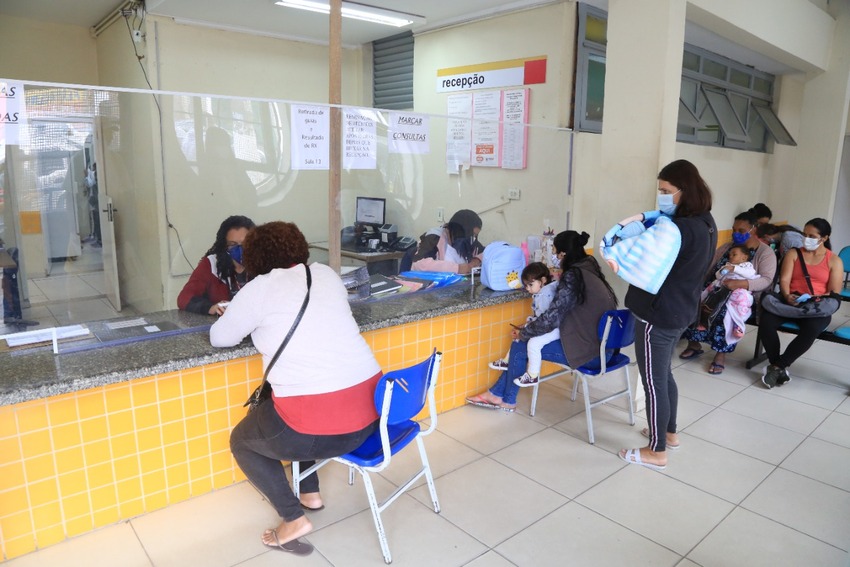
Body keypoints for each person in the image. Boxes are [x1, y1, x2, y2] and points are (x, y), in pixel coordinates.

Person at [210, 221, 382, 555]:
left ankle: (293, 518)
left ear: (255, 256)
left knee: (243, 441)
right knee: (289, 403)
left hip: (316, 427)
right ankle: (310, 493)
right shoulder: (327, 275)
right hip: (368, 420)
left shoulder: (257, 289)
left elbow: (221, 337)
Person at [605, 159, 716, 471]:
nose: (662, 197)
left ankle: (657, 451)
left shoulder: (676, 230)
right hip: (681, 309)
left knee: (653, 380)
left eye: (667, 191)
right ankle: (668, 433)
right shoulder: (705, 222)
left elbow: (644, 263)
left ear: (685, 190)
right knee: (664, 374)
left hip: (659, 313)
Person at [465, 230, 618, 411]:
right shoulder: (589, 268)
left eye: (554, 251)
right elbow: (564, 314)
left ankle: (505, 399)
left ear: (563, 254)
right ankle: (497, 395)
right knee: (525, 340)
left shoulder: (574, 276)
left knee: (520, 345)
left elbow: (551, 318)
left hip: (593, 354)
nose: (553, 256)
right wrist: (529, 329)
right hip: (605, 347)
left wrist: (524, 332)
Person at [680, 211, 776, 375]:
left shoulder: (765, 253)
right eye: (734, 229)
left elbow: (766, 280)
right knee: (694, 301)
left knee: (725, 313)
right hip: (717, 287)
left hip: (740, 295)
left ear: (754, 229)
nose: (735, 234)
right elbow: (709, 268)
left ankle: (720, 355)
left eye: (741, 230)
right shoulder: (727, 247)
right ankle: (694, 344)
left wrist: (741, 283)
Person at [760, 218, 844, 388]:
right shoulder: (794, 253)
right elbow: (784, 280)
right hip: (791, 301)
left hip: (816, 306)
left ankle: (778, 366)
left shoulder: (834, 260)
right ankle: (777, 367)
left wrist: (813, 297)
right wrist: (787, 294)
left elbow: (834, 291)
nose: (806, 239)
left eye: (812, 236)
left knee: (812, 329)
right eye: (804, 234)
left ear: (824, 238)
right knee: (766, 322)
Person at [487, 262, 559, 385]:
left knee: (533, 343)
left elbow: (546, 321)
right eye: (526, 286)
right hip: (550, 327)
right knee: (521, 335)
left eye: (530, 285)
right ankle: (507, 360)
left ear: (543, 280)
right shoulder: (545, 291)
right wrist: (528, 325)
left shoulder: (545, 295)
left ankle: (533, 375)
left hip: (555, 329)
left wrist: (528, 327)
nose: (528, 289)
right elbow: (541, 318)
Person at [178, 215, 255, 315]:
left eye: (244, 244)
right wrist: (210, 308)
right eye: (233, 244)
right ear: (224, 245)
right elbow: (184, 298)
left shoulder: (262, 263)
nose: (240, 249)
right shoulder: (211, 264)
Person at [697, 244, 759, 342]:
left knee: (741, 301)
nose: (730, 257)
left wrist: (734, 269)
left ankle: (738, 325)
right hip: (723, 289)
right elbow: (718, 276)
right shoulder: (727, 265)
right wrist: (722, 271)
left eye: (734, 254)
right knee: (707, 295)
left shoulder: (747, 266)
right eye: (729, 255)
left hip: (739, 290)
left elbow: (750, 274)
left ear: (744, 257)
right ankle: (703, 320)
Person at [409, 209, 484, 274]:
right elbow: (418, 264)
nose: (473, 238)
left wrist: (477, 260)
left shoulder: (469, 240)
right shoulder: (435, 237)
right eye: (472, 234)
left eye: (475, 235)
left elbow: (487, 252)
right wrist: (458, 268)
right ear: (460, 231)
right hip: (432, 287)